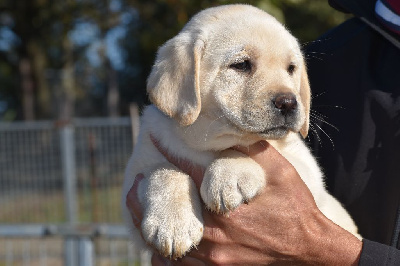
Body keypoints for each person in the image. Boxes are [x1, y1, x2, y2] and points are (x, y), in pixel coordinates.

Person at [125, 0, 400, 264]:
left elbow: (310, 191)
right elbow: (134, 207)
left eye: (290, 68)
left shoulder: (286, 143)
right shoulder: (158, 133)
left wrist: (245, 165)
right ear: (185, 78)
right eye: (242, 64)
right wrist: (166, 185)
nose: (286, 96)